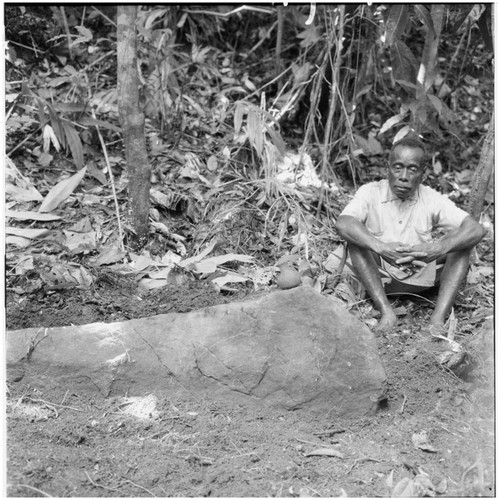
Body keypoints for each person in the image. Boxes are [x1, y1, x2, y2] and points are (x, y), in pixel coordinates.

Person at [335, 132, 486, 334]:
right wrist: (381, 248)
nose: (403, 177)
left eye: (412, 169)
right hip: (380, 277)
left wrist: (437, 248)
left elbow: (476, 229)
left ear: (423, 173)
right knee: (355, 240)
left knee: (462, 244)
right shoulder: (370, 192)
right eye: (398, 167)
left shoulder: (431, 198)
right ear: (388, 168)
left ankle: (437, 319)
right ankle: (387, 312)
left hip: (421, 275)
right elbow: (343, 223)